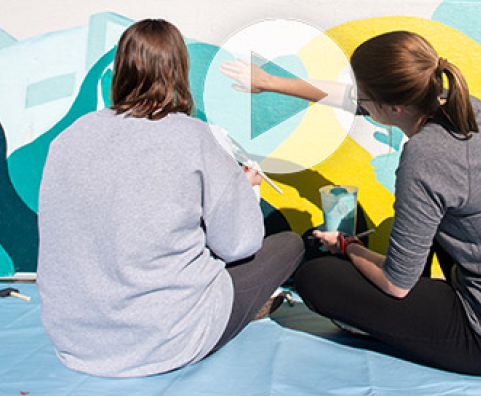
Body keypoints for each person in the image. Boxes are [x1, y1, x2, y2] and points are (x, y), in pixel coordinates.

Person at [220, 30, 481, 376]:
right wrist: (270, 82)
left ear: (395, 106)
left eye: (365, 100)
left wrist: (349, 246)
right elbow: (352, 97)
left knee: (316, 278)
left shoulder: (426, 155)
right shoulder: (459, 104)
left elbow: (396, 284)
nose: (360, 106)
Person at [37, 19, 303, 378]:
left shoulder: (69, 137)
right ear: (179, 71)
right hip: (167, 338)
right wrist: (242, 189)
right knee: (289, 245)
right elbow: (238, 244)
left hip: (76, 340)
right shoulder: (194, 136)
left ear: (120, 71)